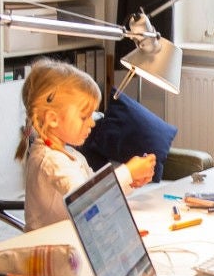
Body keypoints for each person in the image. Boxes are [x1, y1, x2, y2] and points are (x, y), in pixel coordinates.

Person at [18, 60, 155, 229]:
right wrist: (127, 172)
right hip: (51, 249)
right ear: (52, 119)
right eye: (84, 117)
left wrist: (130, 181)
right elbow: (87, 198)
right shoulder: (50, 160)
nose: (92, 123)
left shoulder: (71, 155)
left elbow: (96, 192)